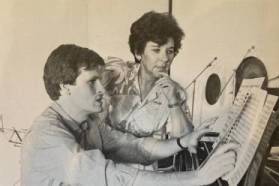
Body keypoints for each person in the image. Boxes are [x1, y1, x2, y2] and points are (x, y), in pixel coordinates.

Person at [21, 44, 237, 186]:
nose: (102, 90)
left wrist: (182, 141)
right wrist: (197, 177)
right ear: (64, 87)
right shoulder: (46, 137)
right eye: (91, 82)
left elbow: (136, 147)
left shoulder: (90, 123)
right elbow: (113, 177)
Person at [105, 11, 198, 170]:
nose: (165, 59)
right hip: (105, 168)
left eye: (169, 51)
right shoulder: (118, 73)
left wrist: (174, 103)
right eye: (156, 50)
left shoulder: (175, 92)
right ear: (138, 52)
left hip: (144, 174)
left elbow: (186, 142)